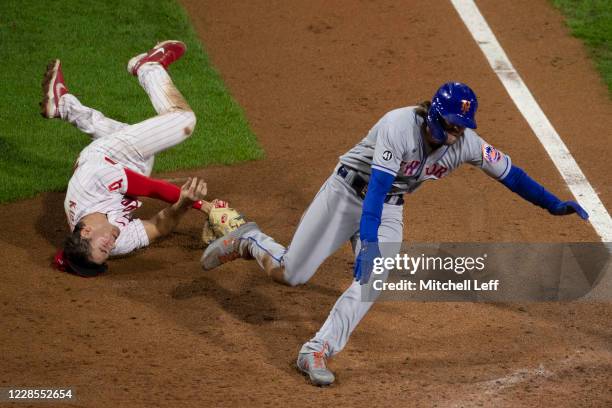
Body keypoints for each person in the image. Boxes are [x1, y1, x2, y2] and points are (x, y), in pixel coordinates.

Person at [200, 82, 589, 386]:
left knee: (374, 278)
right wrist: (366, 241)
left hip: (389, 207)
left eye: (462, 128)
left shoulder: (467, 144)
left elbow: (512, 175)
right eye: (452, 125)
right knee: (291, 275)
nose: (457, 135)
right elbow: (374, 190)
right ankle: (251, 240)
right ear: (435, 116)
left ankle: (316, 350)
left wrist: (553, 204)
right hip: (348, 193)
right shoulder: (398, 126)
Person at [41, 40, 212, 277]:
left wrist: (205, 207)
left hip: (103, 158)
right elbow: (158, 227)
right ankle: (66, 106)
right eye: (107, 253)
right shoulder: (115, 241)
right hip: (126, 170)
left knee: (183, 122)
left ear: (86, 232)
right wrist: (183, 205)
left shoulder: (88, 188)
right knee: (137, 140)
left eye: (103, 248)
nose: (110, 247)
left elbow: (149, 188)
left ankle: (148, 67)